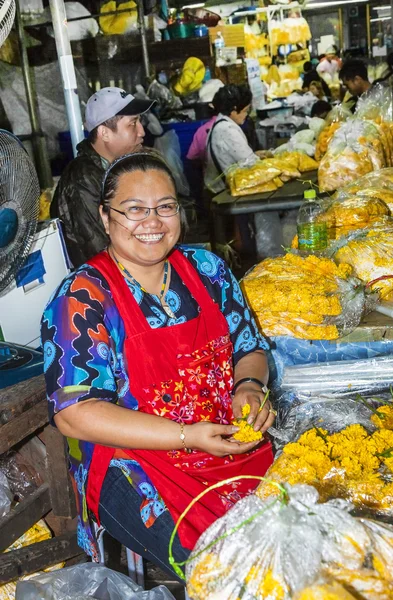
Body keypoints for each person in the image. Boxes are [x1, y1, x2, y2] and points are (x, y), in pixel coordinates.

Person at [41, 150, 275, 577]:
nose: (152, 222)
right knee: (229, 568)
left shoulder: (208, 269)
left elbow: (250, 349)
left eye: (165, 207)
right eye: (134, 210)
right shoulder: (84, 298)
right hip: (133, 460)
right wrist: (187, 436)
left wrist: (249, 388)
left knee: (291, 533)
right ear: (105, 215)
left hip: (224, 439)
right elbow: (76, 415)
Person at [50, 87, 155, 267]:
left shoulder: (120, 168)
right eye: (132, 123)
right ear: (104, 133)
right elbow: (98, 251)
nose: (142, 131)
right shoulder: (82, 179)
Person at [204, 84, 261, 194]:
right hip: (223, 193)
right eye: (246, 110)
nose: (246, 115)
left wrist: (257, 154)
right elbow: (252, 164)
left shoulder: (220, 124)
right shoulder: (227, 130)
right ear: (234, 109)